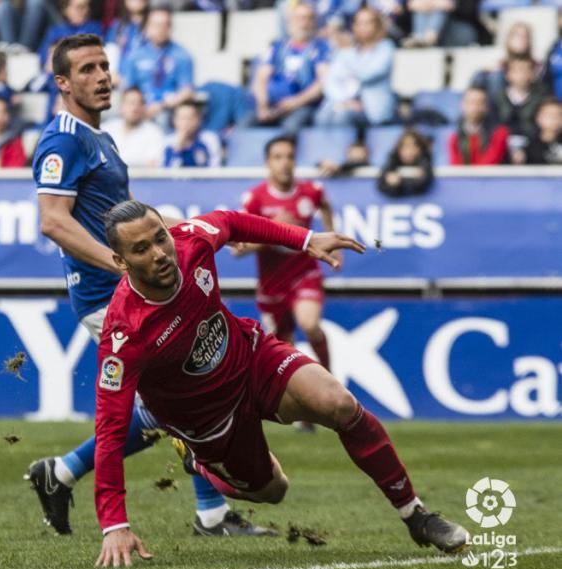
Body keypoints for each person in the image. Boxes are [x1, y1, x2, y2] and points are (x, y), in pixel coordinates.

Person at [92, 200, 469, 567]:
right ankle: (200, 462)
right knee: (273, 490)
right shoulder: (125, 334)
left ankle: (416, 516)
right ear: (121, 263)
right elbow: (110, 430)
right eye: (142, 249)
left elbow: (232, 221)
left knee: (338, 403)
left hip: (252, 358)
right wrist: (115, 524)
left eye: (161, 238)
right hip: (209, 420)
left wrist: (306, 240)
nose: (160, 253)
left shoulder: (192, 240)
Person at [28, 33, 268, 538]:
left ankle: (62, 473)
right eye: (87, 69)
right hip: (108, 299)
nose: (101, 77)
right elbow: (53, 221)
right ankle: (209, 513)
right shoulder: (63, 139)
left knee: (175, 399)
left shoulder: (101, 139)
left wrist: (185, 235)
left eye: (104, 66)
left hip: (130, 291)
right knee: (184, 395)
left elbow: (133, 214)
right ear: (63, 83)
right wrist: (121, 266)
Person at [233, 136, 336, 377]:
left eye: (290, 157)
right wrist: (274, 229)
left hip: (304, 273)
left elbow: (326, 206)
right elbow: (239, 249)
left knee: (309, 324)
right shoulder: (254, 199)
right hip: (271, 283)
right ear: (268, 163)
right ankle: (307, 402)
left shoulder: (311, 191)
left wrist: (334, 243)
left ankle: (330, 376)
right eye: (278, 158)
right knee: (284, 349)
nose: (285, 163)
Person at [251, 2, 329, 134]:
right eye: (300, 18)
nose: (304, 23)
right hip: (273, 106)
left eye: (309, 18)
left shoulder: (321, 48)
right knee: (245, 125)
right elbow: (260, 79)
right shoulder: (276, 47)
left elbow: (323, 82)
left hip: (305, 106)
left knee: (290, 128)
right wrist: (262, 105)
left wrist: (296, 102)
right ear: (289, 21)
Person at [315, 7, 396, 127]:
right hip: (344, 103)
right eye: (359, 23)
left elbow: (366, 74)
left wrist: (347, 51)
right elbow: (330, 80)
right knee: (321, 118)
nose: (363, 27)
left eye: (368, 23)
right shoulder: (347, 52)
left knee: (342, 118)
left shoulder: (386, 48)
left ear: (378, 26)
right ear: (354, 26)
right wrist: (344, 101)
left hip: (372, 111)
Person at [122, 7, 194, 129]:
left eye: (165, 25)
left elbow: (187, 91)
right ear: (146, 27)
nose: (161, 29)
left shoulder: (182, 55)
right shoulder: (135, 56)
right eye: (156, 25)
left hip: (168, 109)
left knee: (164, 118)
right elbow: (128, 88)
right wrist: (139, 108)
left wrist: (162, 105)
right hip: (139, 107)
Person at [101, 86, 164, 167]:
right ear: (121, 106)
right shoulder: (105, 129)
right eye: (131, 103)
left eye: (139, 103)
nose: (135, 108)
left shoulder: (154, 133)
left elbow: (153, 165)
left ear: (143, 107)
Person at [448, 87, 509, 166]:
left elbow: (489, 164)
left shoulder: (499, 133)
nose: (474, 107)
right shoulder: (454, 137)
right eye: (470, 102)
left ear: (486, 107)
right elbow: (456, 168)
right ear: (462, 105)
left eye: (479, 103)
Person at [38, 0, 104, 65]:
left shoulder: (94, 28)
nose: (84, 11)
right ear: (66, 10)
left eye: (86, 6)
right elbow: (43, 58)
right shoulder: (55, 31)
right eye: (79, 7)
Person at [163, 101, 222, 168]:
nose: (186, 122)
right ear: (174, 120)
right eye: (182, 118)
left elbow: (214, 169)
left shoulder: (209, 139)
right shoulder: (167, 142)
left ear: (199, 120)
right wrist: (177, 148)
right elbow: (166, 173)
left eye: (190, 118)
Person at [377, 128, 433, 197]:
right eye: (405, 146)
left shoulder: (425, 160)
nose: (409, 151)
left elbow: (424, 182)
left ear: (419, 149)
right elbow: (382, 183)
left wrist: (400, 181)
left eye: (413, 146)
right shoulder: (393, 160)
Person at [104, 0, 149, 84]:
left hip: (146, 81)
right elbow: (111, 50)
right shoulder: (117, 26)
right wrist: (112, 72)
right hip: (119, 81)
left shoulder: (154, 24)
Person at [513, 97, 562, 165]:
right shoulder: (530, 148)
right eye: (549, 115)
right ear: (539, 118)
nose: (554, 119)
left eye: (559, 115)